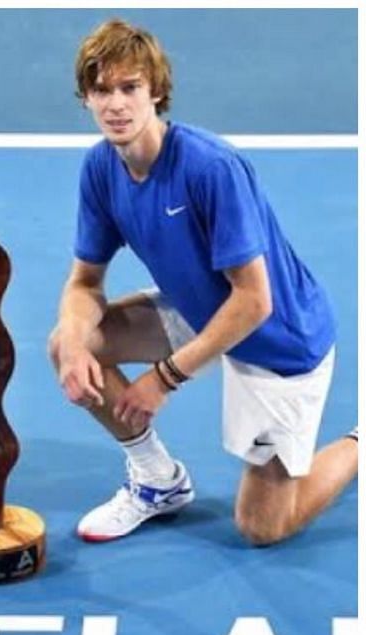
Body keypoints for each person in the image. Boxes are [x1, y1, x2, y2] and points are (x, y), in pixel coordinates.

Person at [48, 19, 357, 546]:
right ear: (85, 98)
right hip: (197, 311)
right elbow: (84, 284)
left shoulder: (212, 168)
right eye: (102, 90)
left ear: (157, 92)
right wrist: (76, 341)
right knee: (69, 344)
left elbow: (255, 301)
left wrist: (163, 379)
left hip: (279, 339)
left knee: (263, 527)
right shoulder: (101, 168)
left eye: (130, 88)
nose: (116, 104)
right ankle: (157, 482)